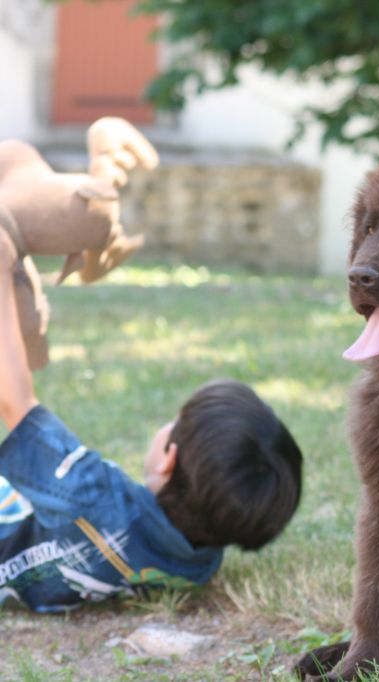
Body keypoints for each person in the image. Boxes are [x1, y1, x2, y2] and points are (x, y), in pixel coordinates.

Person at [0, 231, 303, 613]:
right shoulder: (198, 563)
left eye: (173, 422)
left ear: (168, 458)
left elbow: (15, 401)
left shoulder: (92, 497)